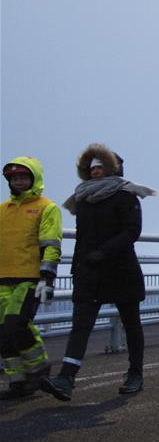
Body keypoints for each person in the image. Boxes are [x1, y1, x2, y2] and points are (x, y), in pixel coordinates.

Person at [42, 145, 156, 401]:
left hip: (120, 269)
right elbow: (82, 238)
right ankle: (66, 378)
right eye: (91, 168)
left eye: (100, 167)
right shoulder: (81, 199)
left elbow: (131, 232)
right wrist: (77, 266)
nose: (95, 173)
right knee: (81, 325)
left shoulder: (126, 195)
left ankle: (135, 373)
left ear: (112, 168)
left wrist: (102, 253)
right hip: (89, 271)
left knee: (131, 323)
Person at [0, 157, 61, 399]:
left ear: (34, 179)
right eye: (14, 178)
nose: (19, 181)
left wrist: (47, 277)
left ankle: (39, 369)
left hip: (29, 277)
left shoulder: (47, 207)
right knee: (2, 332)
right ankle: (18, 381)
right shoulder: (3, 210)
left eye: (24, 177)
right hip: (2, 278)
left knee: (16, 324)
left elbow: (51, 244)